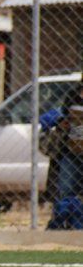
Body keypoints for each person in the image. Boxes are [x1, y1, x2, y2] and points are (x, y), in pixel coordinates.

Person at [47, 78, 83, 230]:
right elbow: (64, 116)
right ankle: (64, 224)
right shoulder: (74, 93)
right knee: (66, 190)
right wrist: (64, 121)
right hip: (72, 151)